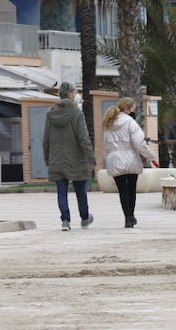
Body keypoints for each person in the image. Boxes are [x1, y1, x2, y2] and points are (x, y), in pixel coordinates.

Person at [44, 82, 96, 231]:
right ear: (70, 94)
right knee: (80, 189)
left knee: (61, 192)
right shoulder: (77, 113)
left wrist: (47, 158)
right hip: (76, 159)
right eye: (75, 91)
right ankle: (85, 218)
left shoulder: (50, 113)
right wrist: (91, 159)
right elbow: (84, 138)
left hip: (56, 159)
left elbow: (45, 139)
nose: (76, 94)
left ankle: (65, 221)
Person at [102, 97, 157, 228]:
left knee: (122, 191)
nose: (134, 110)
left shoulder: (108, 123)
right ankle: (131, 216)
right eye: (133, 108)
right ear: (127, 109)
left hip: (115, 159)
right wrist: (151, 156)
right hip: (130, 158)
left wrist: (108, 157)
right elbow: (139, 143)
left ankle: (127, 217)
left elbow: (105, 144)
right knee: (131, 190)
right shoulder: (130, 122)